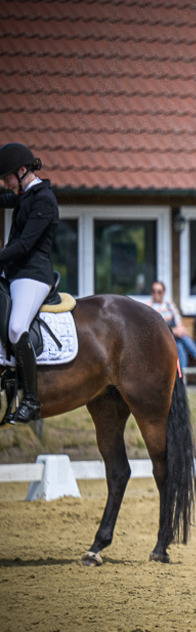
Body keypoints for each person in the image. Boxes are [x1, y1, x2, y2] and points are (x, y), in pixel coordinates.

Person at [0, 143, 57, 423]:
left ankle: (32, 401)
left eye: (6, 177)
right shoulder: (25, 194)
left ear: (22, 171)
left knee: (15, 327)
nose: (4, 183)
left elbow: (23, 245)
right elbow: (6, 200)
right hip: (14, 272)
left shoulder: (44, 200)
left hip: (32, 274)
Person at [148, 281, 196, 375]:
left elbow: (177, 317)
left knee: (179, 345)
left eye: (159, 292)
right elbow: (154, 327)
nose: (156, 294)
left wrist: (179, 328)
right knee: (181, 339)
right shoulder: (149, 306)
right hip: (159, 338)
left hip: (174, 336)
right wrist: (173, 331)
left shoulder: (169, 304)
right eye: (154, 291)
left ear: (163, 293)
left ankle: (182, 376)